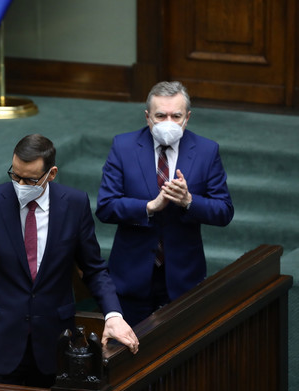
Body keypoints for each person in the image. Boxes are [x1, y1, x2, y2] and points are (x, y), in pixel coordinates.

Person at [0, 134, 138, 388]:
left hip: (54, 345)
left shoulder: (74, 204)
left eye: (29, 179)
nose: (20, 184)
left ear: (51, 174)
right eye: (15, 175)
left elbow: (93, 269)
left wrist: (113, 314)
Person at [96, 81, 234, 327]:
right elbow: (105, 206)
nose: (168, 121)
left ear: (187, 118)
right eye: (161, 115)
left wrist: (189, 201)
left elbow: (224, 211)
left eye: (176, 115)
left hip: (183, 279)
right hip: (131, 277)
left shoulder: (206, 151)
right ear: (148, 117)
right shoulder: (124, 146)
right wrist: (148, 207)